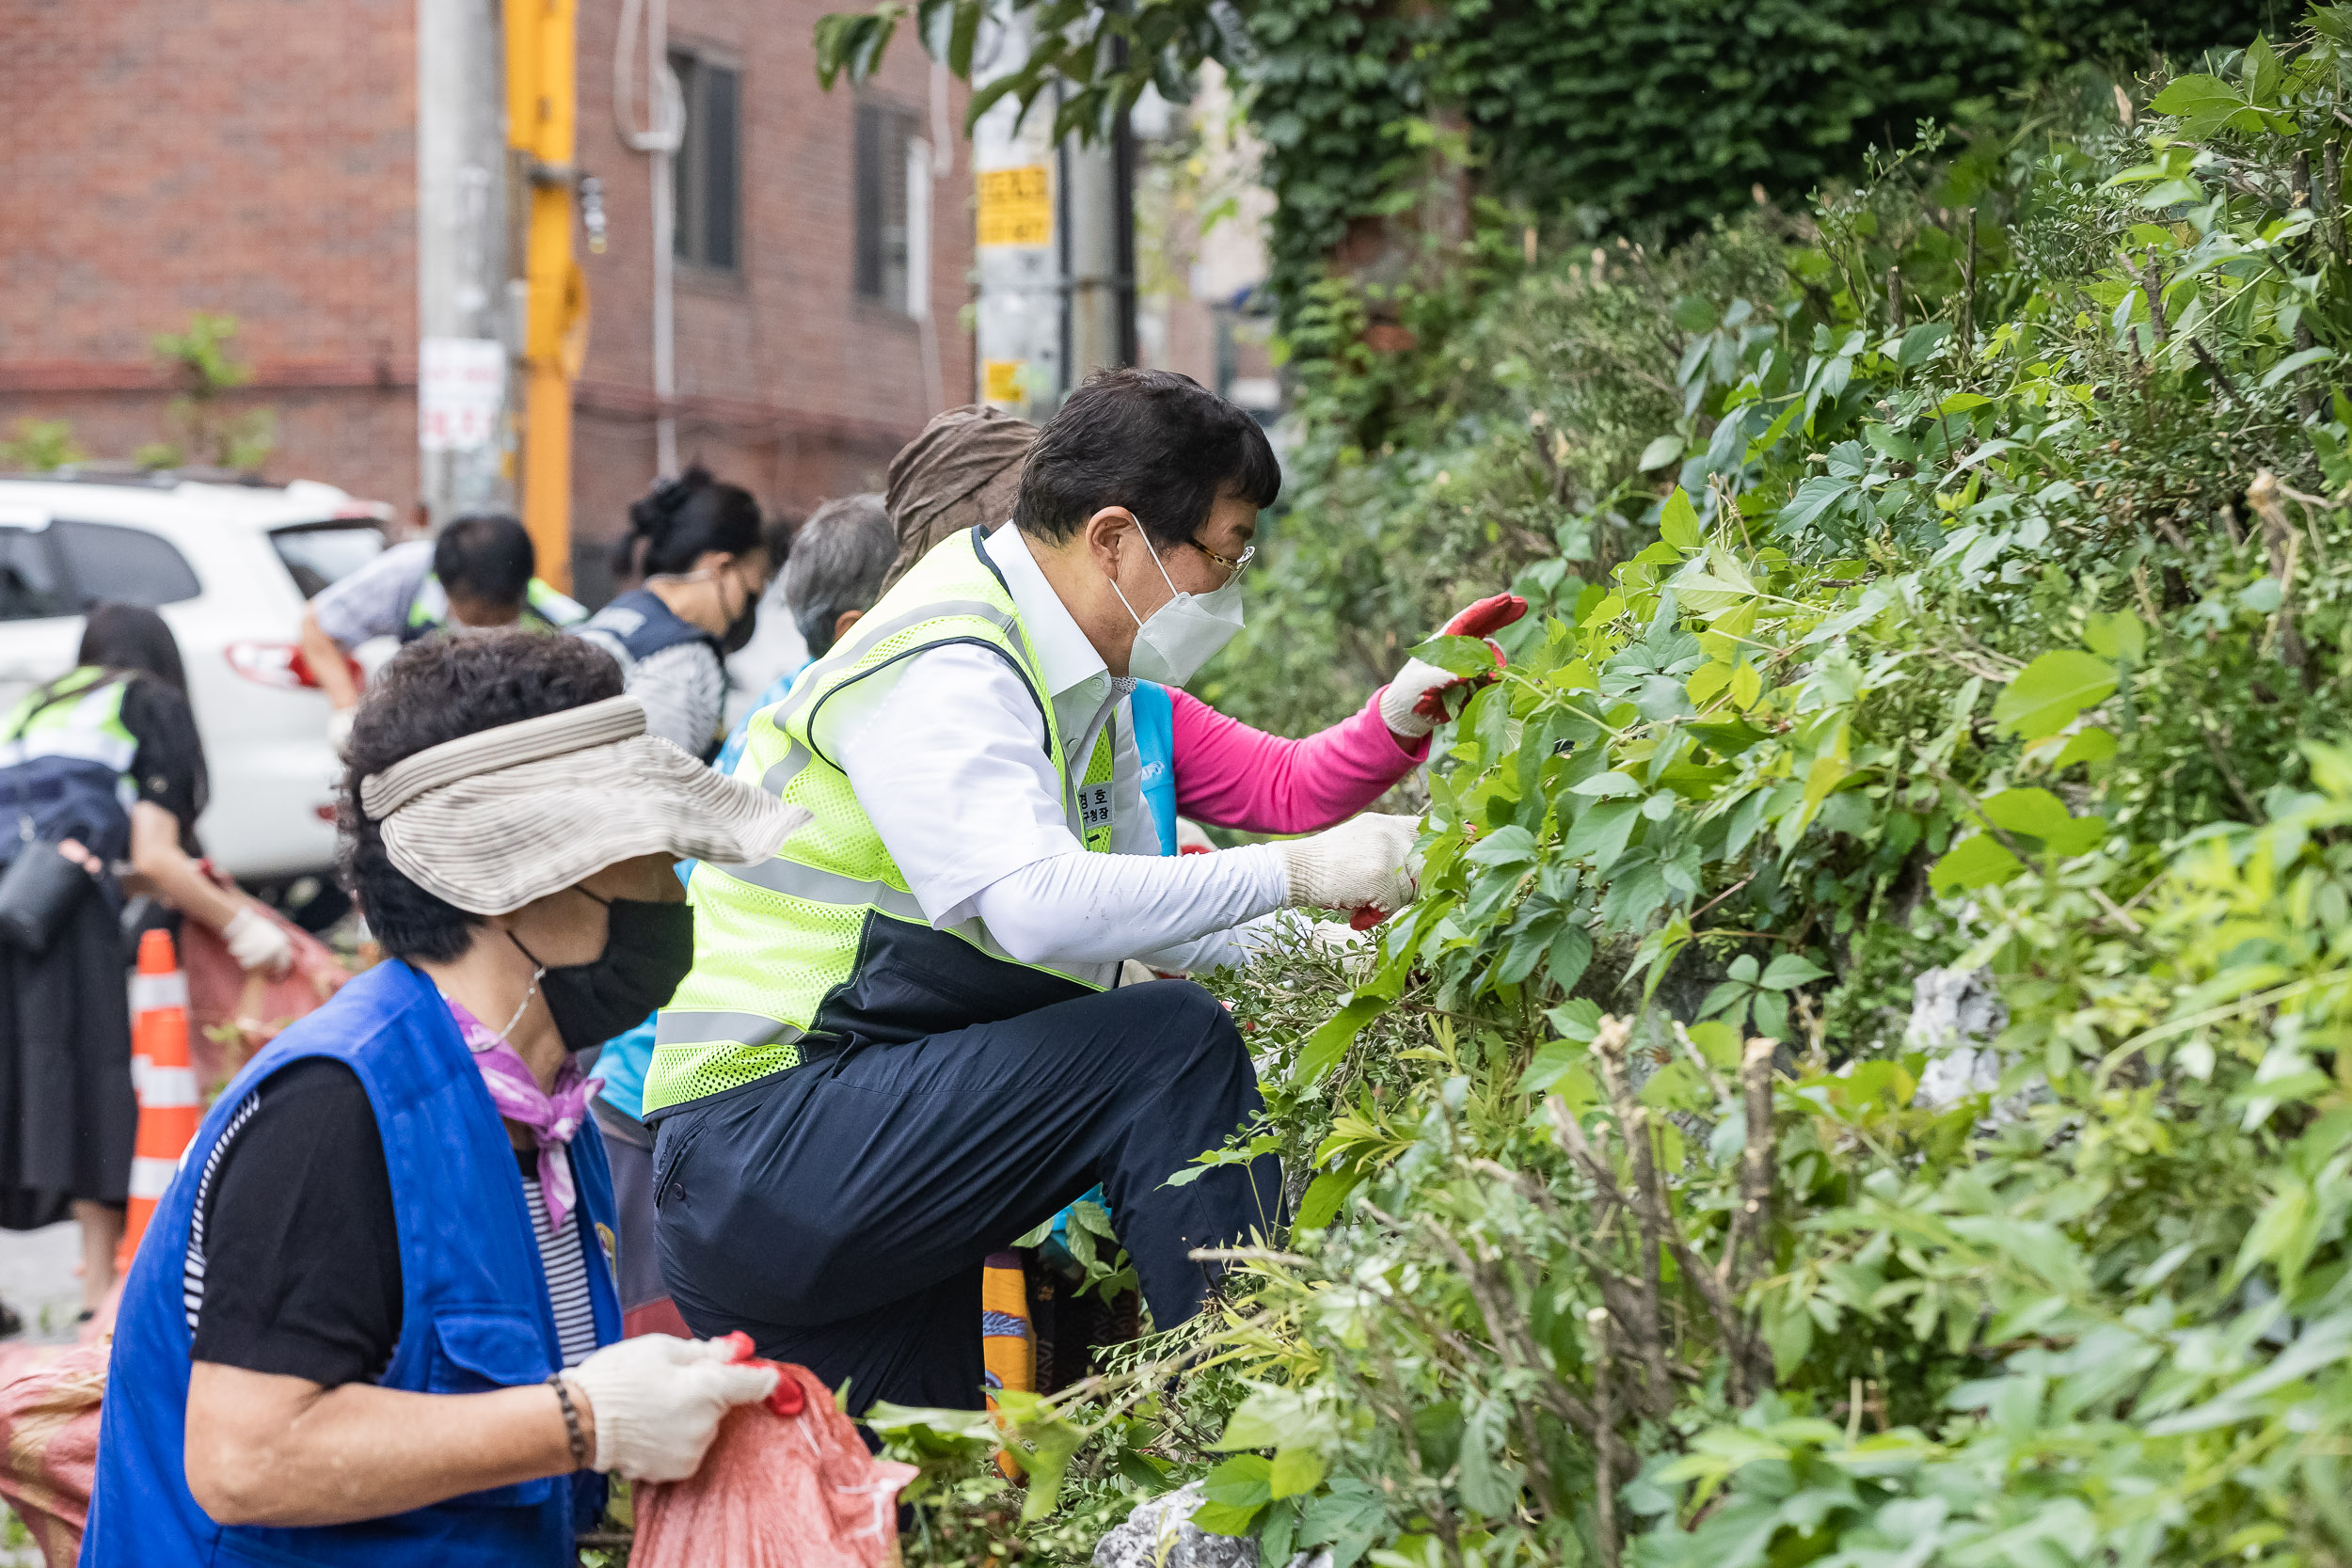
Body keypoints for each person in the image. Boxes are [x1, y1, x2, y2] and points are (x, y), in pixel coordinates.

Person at [646, 369, 1424, 1414]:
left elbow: (1148, 913)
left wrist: (1351, 956)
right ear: (1114, 538)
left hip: (838, 1138)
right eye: (1224, 555)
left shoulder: (1076, 676)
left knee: (942, 1481)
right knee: (1171, 1045)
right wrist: (1306, 867)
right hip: (765, 1139)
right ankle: (1257, 1417)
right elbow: (1035, 906)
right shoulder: (947, 657)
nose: (1228, 593)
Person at [83, 630, 805, 1565]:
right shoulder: (334, 1109)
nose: (673, 888)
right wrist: (583, 1417)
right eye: (642, 853)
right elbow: (247, 1456)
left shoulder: (544, 1112)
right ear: (512, 879)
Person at [882, 401, 1526, 853]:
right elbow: (1038, 905)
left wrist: (1397, 713)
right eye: (1224, 553)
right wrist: (1285, 880)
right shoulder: (950, 680)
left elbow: (1286, 781)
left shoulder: (1125, 701)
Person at [588, 491, 885, 1338]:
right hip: (664, 1081)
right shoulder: (720, 682)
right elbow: (663, 852)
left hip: (655, 1067)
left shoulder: (778, 703)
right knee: (661, 1367)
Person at [0, 604, 293, 1321]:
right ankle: (99, 1293)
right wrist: (247, 927)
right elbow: (158, 857)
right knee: (92, 1088)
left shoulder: (37, 701)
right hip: (62, 920)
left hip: (10, 901)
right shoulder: (148, 701)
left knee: (12, 1086)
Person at [299, 513, 587, 750]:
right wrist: (346, 711)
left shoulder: (560, 622)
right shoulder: (408, 573)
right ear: (446, 587)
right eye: (476, 612)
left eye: (496, 615)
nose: (485, 626)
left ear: (522, 588)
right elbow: (316, 625)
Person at [576, 467, 772, 758]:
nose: (745, 610)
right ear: (721, 568)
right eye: (750, 592)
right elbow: (658, 784)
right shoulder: (687, 659)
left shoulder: (615, 614)